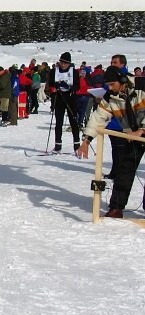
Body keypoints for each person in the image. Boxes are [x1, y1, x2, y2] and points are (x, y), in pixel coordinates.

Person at [77, 66, 145, 217]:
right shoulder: (110, 96)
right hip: (133, 135)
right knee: (124, 169)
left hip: (140, 132)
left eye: (112, 84)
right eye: (108, 85)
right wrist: (87, 140)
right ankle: (116, 207)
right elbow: (98, 117)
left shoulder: (142, 85)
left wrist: (142, 129)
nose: (110, 88)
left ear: (122, 80)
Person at [47, 52, 80, 152]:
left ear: (69, 63)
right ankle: (58, 145)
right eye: (62, 62)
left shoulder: (74, 72)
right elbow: (50, 83)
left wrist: (69, 87)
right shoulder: (54, 71)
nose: (63, 64)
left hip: (70, 98)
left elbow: (77, 86)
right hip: (59, 97)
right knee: (59, 122)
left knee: (73, 122)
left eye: (65, 63)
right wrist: (55, 86)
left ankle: (77, 146)